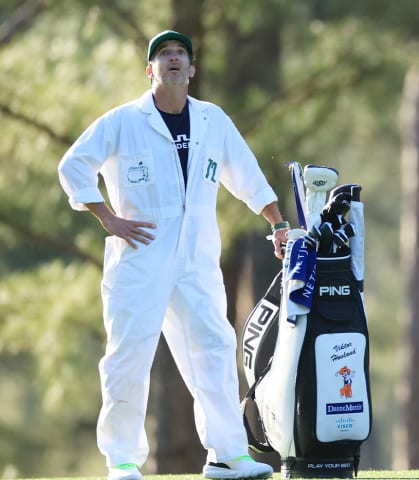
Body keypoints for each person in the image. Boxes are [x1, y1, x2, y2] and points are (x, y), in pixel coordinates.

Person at [58, 30, 286, 480]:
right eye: (164, 54)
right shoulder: (123, 121)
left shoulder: (212, 120)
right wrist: (107, 216)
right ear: (151, 71)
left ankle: (227, 454)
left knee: (214, 349)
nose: (174, 59)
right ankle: (122, 459)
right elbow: (73, 166)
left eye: (181, 53)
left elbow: (246, 174)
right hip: (140, 256)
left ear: (192, 69)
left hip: (196, 258)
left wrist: (277, 223)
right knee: (129, 354)